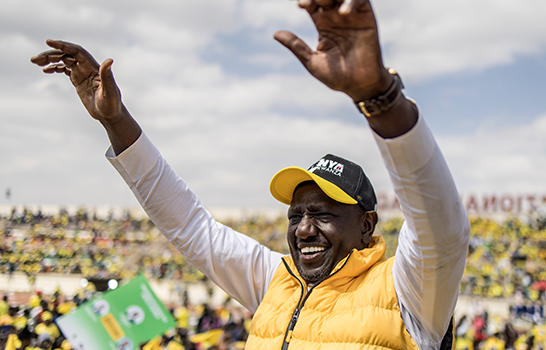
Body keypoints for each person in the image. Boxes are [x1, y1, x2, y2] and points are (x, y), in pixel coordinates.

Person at [31, 0, 470, 348]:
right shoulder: (274, 280)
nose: (304, 229)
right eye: (296, 215)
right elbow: (188, 224)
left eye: (322, 214)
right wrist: (116, 119)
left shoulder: (408, 293)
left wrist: (381, 98)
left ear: (366, 224)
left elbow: (441, 226)